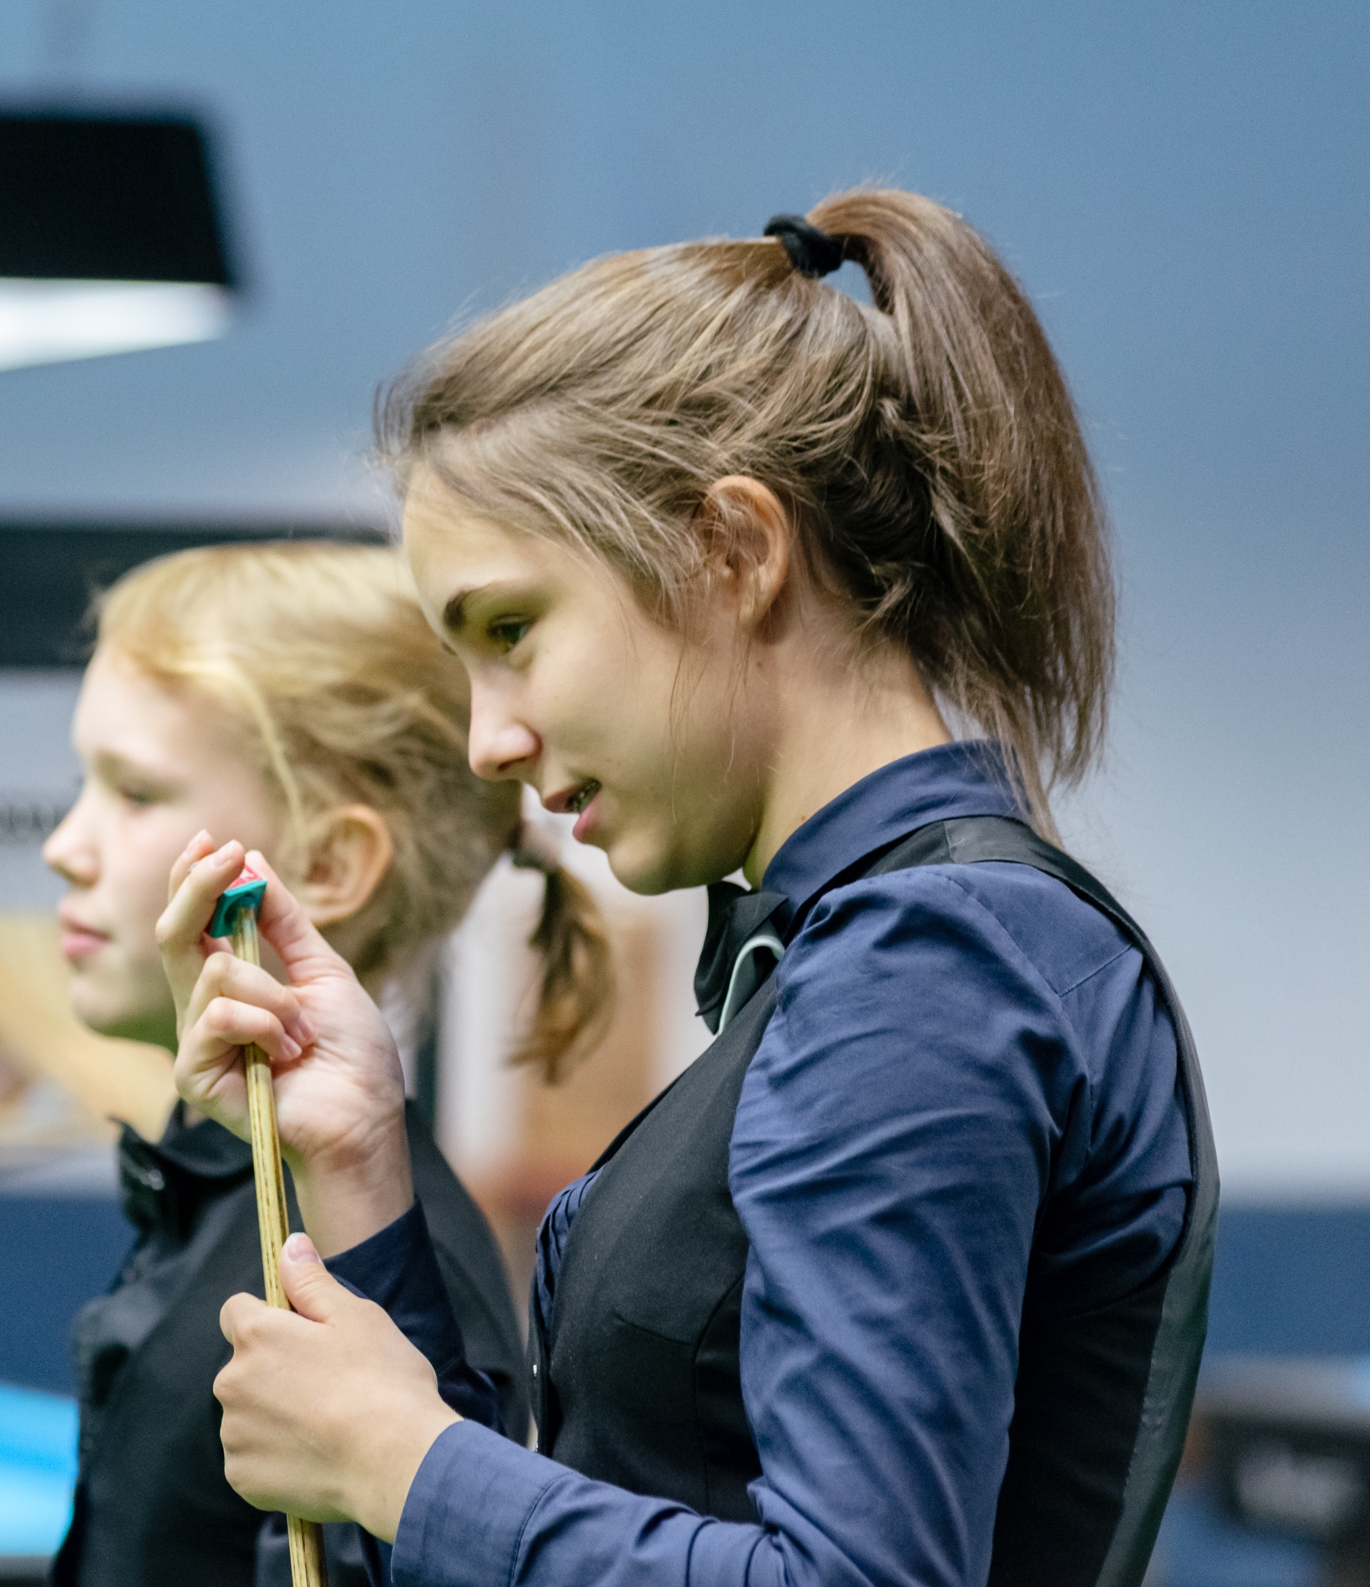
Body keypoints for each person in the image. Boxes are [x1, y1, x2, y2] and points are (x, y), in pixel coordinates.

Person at [172, 189, 1214, 1586]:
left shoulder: (929, 961)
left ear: (736, 550)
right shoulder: (869, 951)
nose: (488, 739)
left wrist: (402, 1466)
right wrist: (356, 1160)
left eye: (511, 628)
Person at [0, 540, 615, 1587]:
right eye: (84, 783)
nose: (65, 845)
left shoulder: (386, 1275)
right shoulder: (219, 1185)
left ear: (328, 864)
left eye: (136, 792)